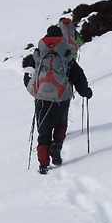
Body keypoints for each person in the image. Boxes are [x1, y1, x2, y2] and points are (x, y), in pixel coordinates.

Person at [24, 25, 93, 174]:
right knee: (60, 124)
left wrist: (34, 90)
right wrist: (85, 91)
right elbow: (78, 75)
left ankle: (43, 164)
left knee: (43, 131)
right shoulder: (65, 54)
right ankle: (57, 145)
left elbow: (27, 76)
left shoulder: (37, 55)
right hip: (62, 98)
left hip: (41, 99)